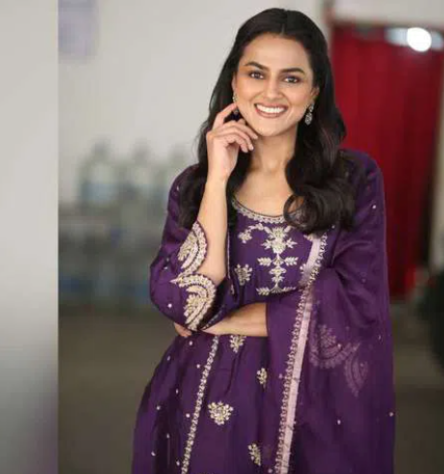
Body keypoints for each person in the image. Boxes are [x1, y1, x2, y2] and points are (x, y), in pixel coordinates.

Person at [132, 8, 394, 474]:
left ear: (314, 91)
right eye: (256, 74)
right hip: (203, 401)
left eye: (291, 78)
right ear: (235, 82)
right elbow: (188, 302)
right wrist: (218, 180)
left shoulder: (353, 181)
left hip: (309, 404)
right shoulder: (195, 186)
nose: (271, 92)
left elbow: (357, 302)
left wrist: (225, 321)